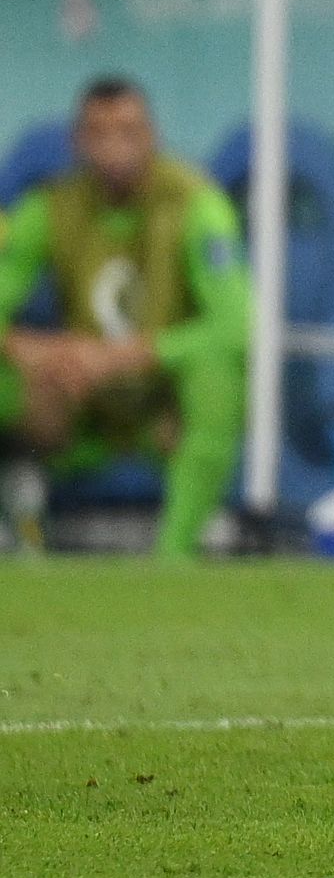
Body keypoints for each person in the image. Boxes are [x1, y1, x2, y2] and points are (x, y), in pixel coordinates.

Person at [0, 77, 248, 563]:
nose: (115, 146)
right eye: (99, 132)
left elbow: (236, 325)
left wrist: (119, 358)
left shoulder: (197, 204)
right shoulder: (48, 208)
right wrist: (33, 349)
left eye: (129, 131)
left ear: (152, 136)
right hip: (76, 400)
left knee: (219, 372)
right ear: (77, 142)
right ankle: (22, 516)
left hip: (159, 403)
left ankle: (174, 554)